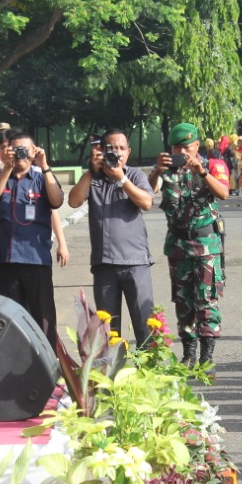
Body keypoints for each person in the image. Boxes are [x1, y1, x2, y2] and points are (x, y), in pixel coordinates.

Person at [150, 123, 229, 367]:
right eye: (176, 147)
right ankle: (188, 353)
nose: (181, 152)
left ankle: (206, 357)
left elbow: (224, 193)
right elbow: (149, 192)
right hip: (178, 245)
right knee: (183, 302)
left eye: (186, 147)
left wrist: (202, 172)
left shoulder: (212, 165)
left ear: (196, 145)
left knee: (206, 300)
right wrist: (156, 170)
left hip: (206, 244)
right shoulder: (167, 171)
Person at [67, 129, 156, 345]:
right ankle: (114, 376)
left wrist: (122, 179)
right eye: (111, 148)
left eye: (121, 148)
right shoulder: (93, 178)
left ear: (128, 152)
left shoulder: (134, 175)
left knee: (145, 326)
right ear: (101, 151)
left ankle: (149, 373)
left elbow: (146, 203)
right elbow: (73, 202)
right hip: (104, 265)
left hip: (135, 262)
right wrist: (90, 171)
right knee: (109, 333)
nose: (117, 152)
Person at [0, 131, 65, 339]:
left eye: (25, 149)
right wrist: (7, 167)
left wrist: (45, 166)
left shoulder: (42, 178)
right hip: (7, 261)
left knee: (43, 318)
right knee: (10, 321)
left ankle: (48, 366)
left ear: (34, 151)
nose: (21, 154)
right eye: (16, 149)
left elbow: (57, 201)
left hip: (36, 260)